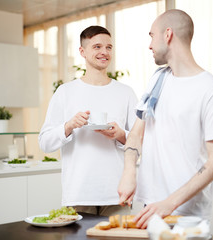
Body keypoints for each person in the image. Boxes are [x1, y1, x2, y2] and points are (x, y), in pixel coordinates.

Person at [118, 9, 213, 228]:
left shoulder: (212, 91)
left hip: (187, 215)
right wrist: (129, 172)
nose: (149, 45)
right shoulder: (158, 80)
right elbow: (136, 135)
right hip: (151, 208)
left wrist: (169, 203)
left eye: (152, 36)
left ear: (168, 34)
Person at [39, 25, 138, 216]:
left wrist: (120, 134)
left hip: (118, 194)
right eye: (97, 47)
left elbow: (141, 141)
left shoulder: (126, 93)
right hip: (78, 194)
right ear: (82, 52)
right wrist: (68, 126)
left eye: (109, 47)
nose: (104, 52)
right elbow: (44, 143)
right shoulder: (65, 92)